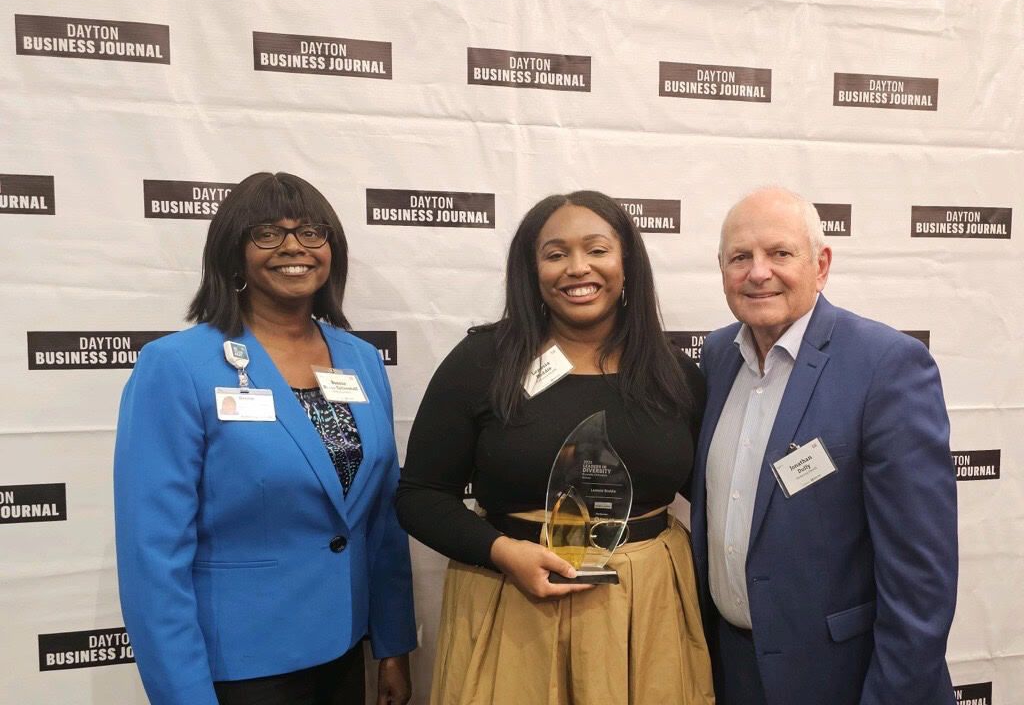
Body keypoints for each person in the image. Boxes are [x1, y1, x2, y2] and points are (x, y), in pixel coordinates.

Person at [396, 191, 715, 705]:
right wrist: (502, 552)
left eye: (597, 250)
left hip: (647, 610)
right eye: (555, 253)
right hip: (513, 603)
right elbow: (420, 495)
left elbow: (719, 494)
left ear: (627, 263)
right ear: (532, 270)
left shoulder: (673, 374)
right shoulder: (483, 362)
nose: (577, 268)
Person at [114, 172, 416, 705]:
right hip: (237, 666)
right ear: (234, 251)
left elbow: (380, 519)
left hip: (342, 651)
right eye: (268, 233)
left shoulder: (361, 361)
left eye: (311, 232)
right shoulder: (177, 366)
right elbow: (153, 554)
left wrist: (392, 644)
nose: (294, 247)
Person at [690, 187, 958, 705]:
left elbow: (920, 583)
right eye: (740, 257)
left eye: (780, 253)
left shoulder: (887, 366)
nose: (758, 272)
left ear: (822, 264)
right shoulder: (718, 355)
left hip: (843, 678)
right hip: (732, 670)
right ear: (721, 268)